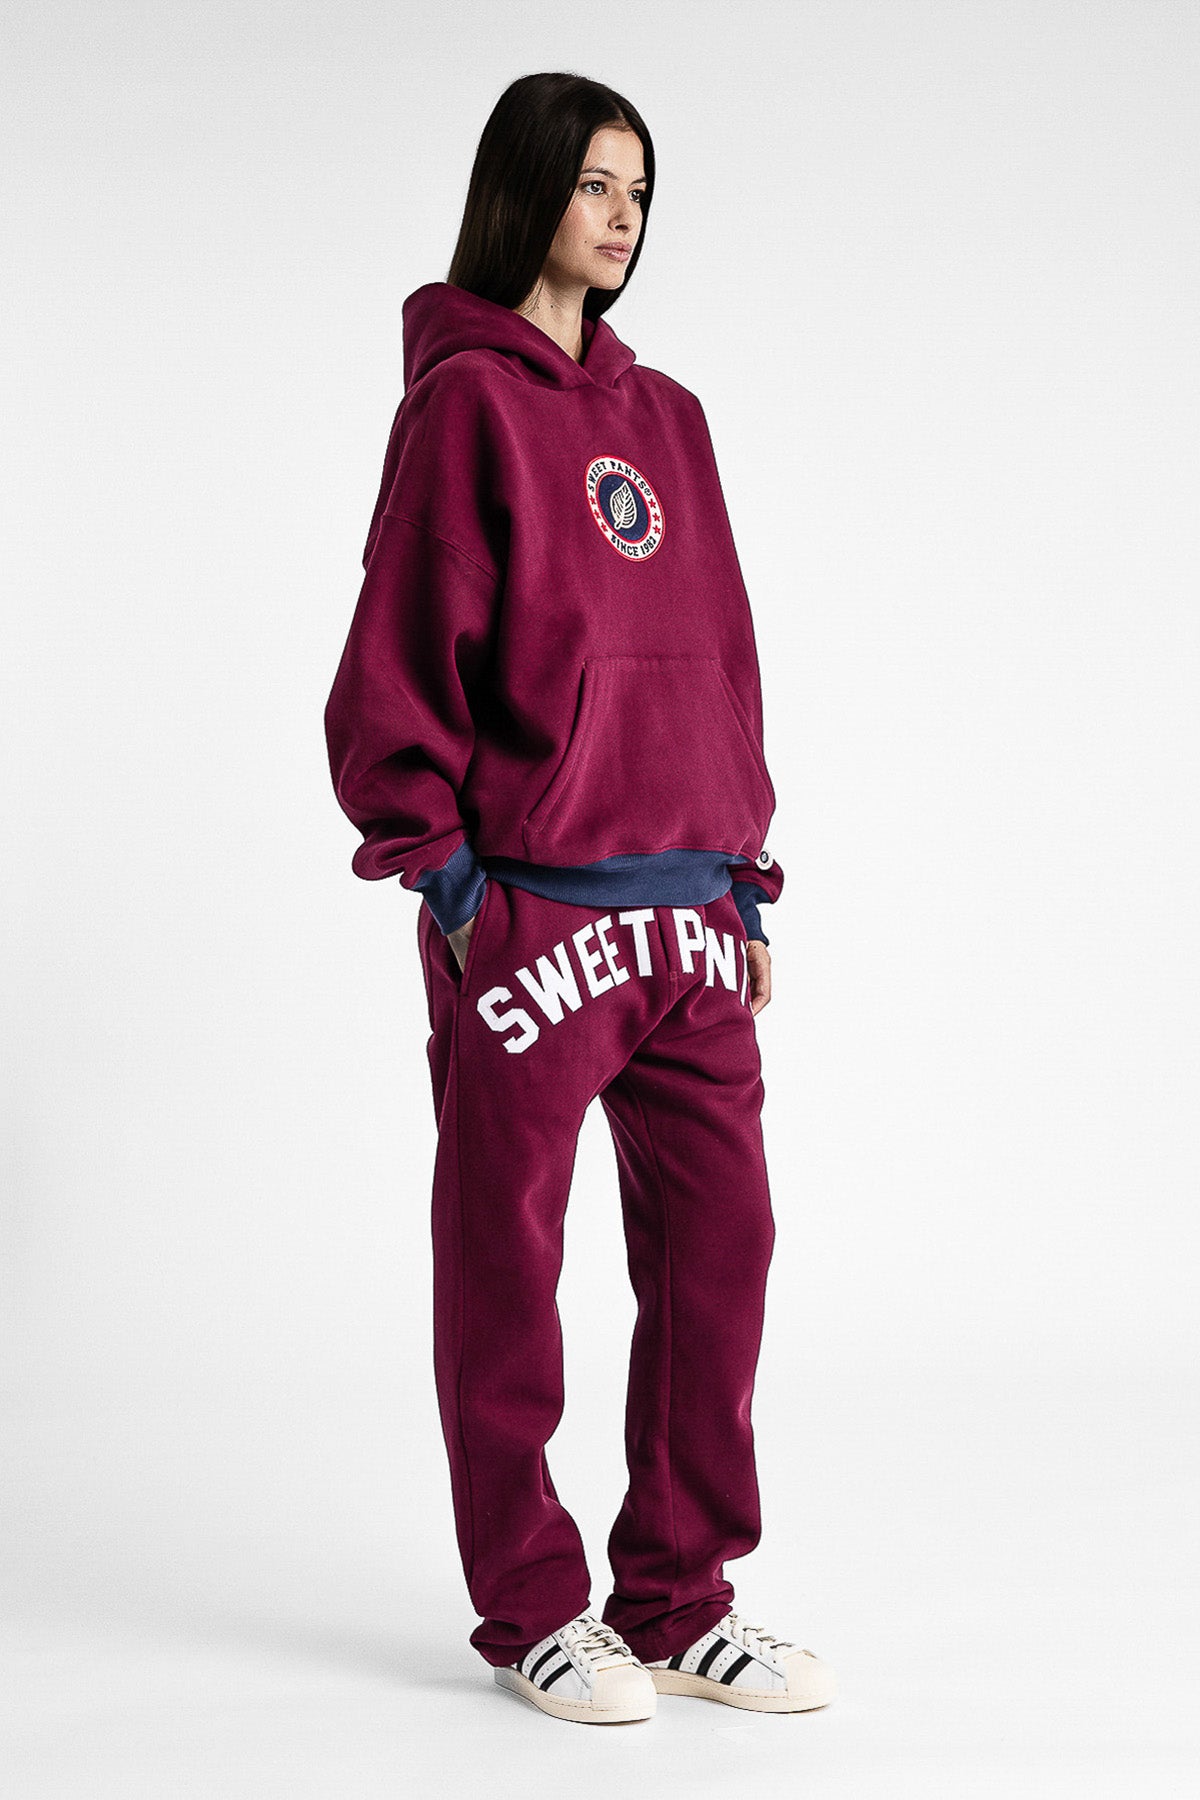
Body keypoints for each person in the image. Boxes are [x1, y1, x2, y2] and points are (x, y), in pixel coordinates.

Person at [323, 71, 836, 1725]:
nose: (624, 217)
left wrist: (744, 878)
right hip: (531, 916)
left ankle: (681, 1600)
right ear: (529, 189)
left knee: (722, 1248)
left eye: (641, 192)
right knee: (506, 1266)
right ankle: (535, 1608)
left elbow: (720, 652)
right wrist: (452, 883)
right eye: (598, 184)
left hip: (688, 911)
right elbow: (395, 665)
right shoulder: (462, 408)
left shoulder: (669, 414)